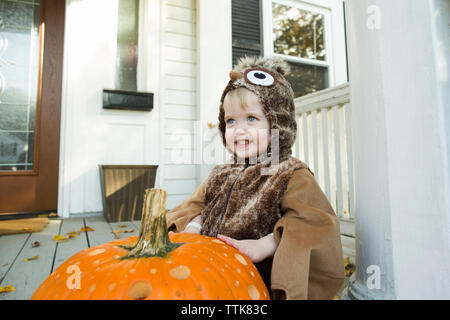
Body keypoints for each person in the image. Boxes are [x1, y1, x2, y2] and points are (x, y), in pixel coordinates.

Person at [166, 56, 345, 299]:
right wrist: (193, 226)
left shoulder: (289, 173)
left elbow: (311, 224)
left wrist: (266, 244)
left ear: (277, 123)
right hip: (209, 275)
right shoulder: (221, 172)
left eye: (251, 118)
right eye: (231, 121)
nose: (239, 129)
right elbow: (197, 204)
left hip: (255, 281)